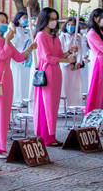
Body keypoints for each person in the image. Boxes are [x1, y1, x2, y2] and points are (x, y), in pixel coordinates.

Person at [0, 12, 36, 158]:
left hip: (7, 77)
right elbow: (3, 55)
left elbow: (18, 57)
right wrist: (8, 41)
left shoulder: (4, 40)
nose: (5, 24)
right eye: (2, 21)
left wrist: (29, 49)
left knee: (4, 113)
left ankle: (0, 144)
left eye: (6, 21)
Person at [34, 8, 76, 146]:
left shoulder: (55, 37)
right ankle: (45, 135)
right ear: (44, 19)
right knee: (47, 104)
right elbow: (47, 57)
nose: (53, 22)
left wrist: (69, 52)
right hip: (47, 72)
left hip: (56, 72)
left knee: (54, 104)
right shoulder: (40, 36)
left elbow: (58, 55)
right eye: (51, 19)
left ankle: (52, 135)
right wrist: (66, 61)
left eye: (55, 19)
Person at [59, 16, 85, 108]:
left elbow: (80, 51)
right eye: (69, 25)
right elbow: (61, 51)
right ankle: (63, 106)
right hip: (65, 64)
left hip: (75, 65)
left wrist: (78, 62)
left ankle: (75, 105)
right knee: (65, 84)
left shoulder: (77, 37)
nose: (70, 27)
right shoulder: (62, 37)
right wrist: (68, 63)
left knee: (75, 85)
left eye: (73, 25)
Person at [10, 11, 34, 105]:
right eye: (24, 17)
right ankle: (17, 100)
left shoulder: (28, 31)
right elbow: (12, 42)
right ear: (18, 19)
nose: (26, 20)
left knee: (26, 79)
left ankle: (26, 98)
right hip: (17, 59)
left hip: (27, 58)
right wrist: (13, 30)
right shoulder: (14, 30)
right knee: (18, 80)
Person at [85, 8, 103, 113]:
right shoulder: (91, 33)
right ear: (95, 19)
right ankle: (93, 114)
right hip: (99, 63)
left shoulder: (100, 31)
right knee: (97, 89)